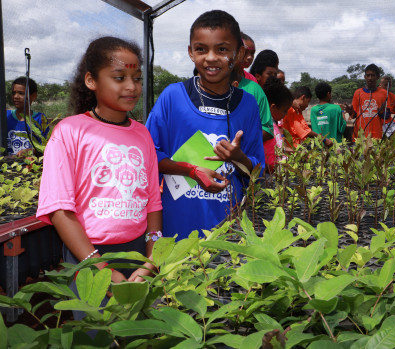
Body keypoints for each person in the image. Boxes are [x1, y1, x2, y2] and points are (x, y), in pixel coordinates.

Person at [36, 36, 163, 321]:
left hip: (139, 255)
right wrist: (101, 268)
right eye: (119, 77)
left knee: (139, 333)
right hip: (88, 256)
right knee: (96, 333)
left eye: (137, 78)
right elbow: (59, 209)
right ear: (91, 81)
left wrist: (151, 260)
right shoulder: (69, 132)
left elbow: (153, 202)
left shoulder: (142, 134)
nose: (131, 86)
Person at [145, 10, 265, 240]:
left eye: (222, 49)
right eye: (201, 49)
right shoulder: (173, 97)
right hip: (177, 227)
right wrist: (191, 170)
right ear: (190, 52)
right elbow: (149, 156)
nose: (210, 58)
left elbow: (258, 169)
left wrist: (239, 157)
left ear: (238, 53)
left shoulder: (248, 104)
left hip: (229, 230)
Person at [343, 64, 390, 140]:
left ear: (377, 77)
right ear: (365, 77)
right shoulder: (358, 93)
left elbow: (388, 116)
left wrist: (382, 113)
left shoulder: (384, 93)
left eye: (372, 75)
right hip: (360, 136)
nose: (370, 78)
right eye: (368, 75)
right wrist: (351, 112)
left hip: (377, 136)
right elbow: (355, 115)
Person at [6, 77, 49, 156]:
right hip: (6, 166)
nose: (16, 96)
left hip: (30, 166)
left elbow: (45, 146)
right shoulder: (6, 116)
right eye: (13, 93)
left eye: (21, 93)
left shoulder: (40, 118)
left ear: (34, 95)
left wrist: (30, 151)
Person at [262, 76, 293, 172]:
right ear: (273, 107)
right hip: (268, 174)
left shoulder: (273, 124)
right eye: (284, 111)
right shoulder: (264, 127)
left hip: (278, 172)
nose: (286, 114)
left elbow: (277, 147)